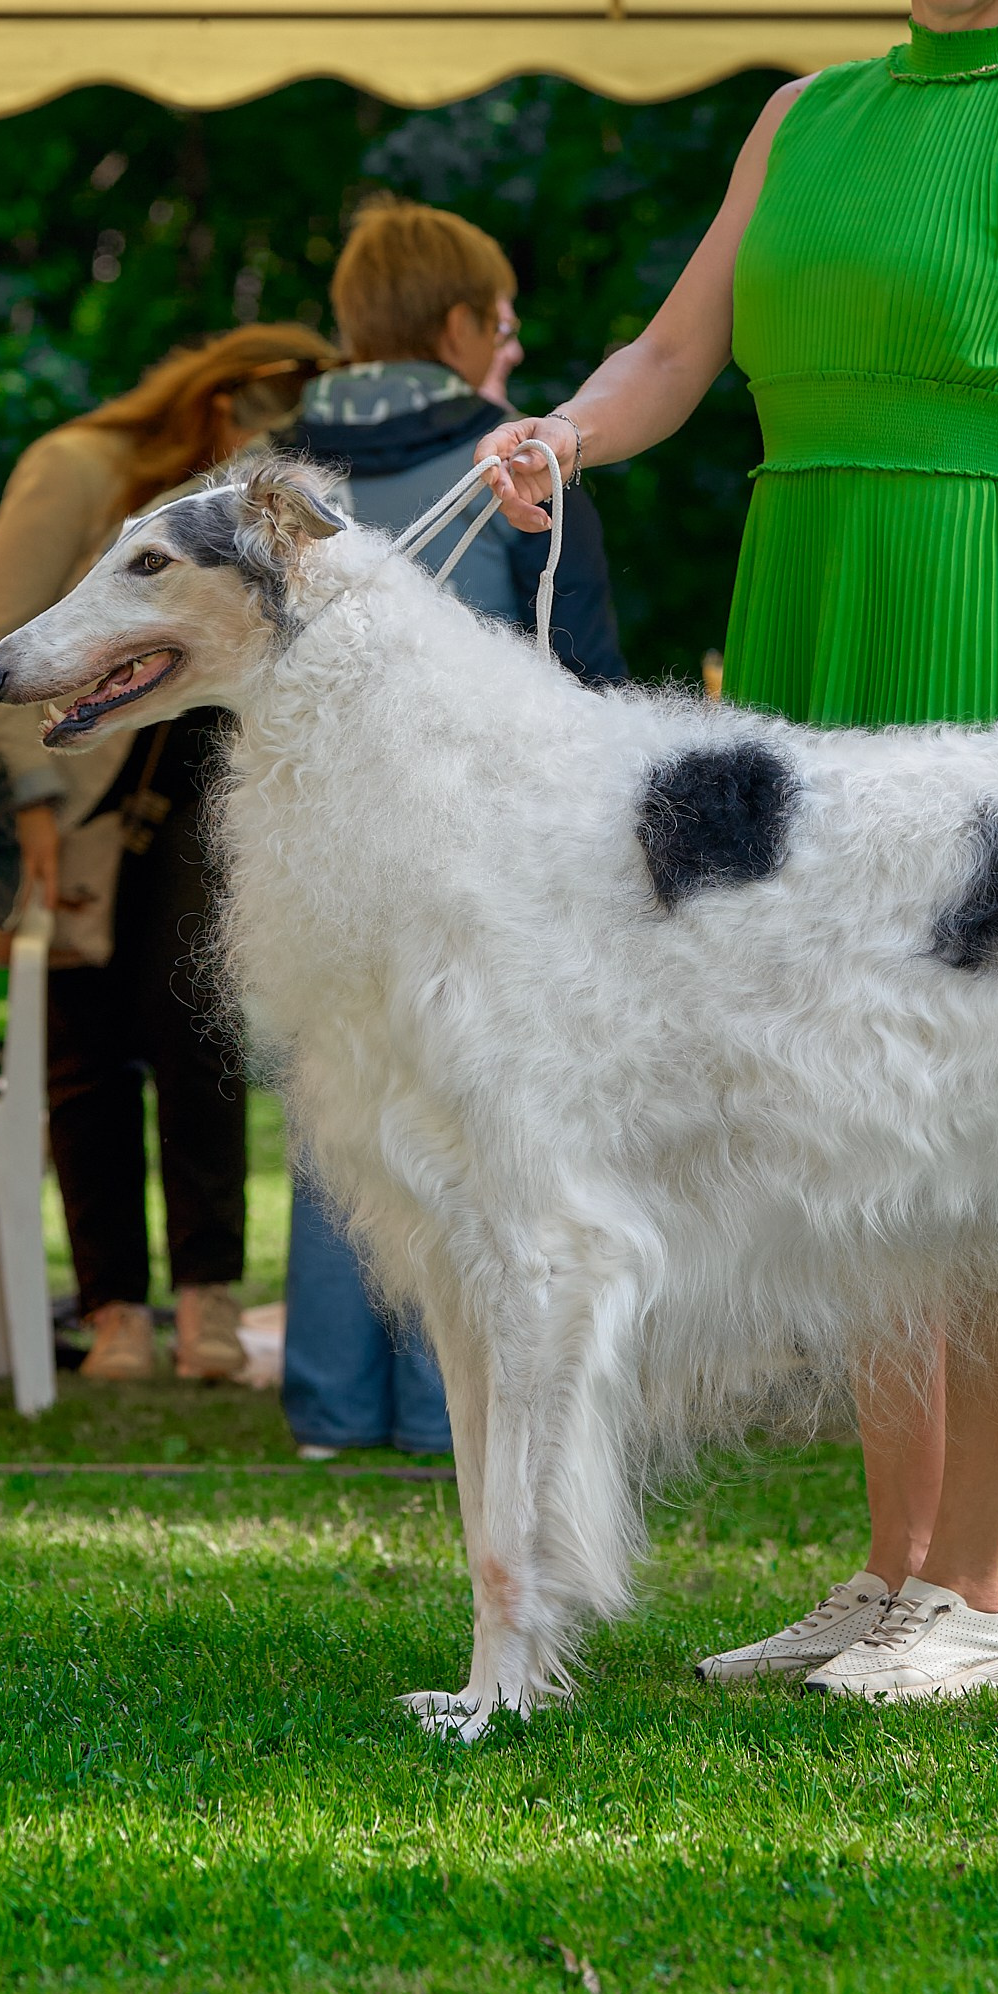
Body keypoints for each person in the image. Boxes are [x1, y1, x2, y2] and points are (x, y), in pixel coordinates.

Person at [479, 0, 998, 1704]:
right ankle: (887, 1571)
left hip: (968, 608)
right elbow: (676, 351)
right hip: (796, 607)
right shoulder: (802, 117)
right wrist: (562, 434)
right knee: (848, 1113)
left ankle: (981, 1595)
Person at [271, 193, 629, 1458]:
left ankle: (329, 1401)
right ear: (459, 323)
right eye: (505, 321)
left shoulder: (270, 471)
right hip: (482, 846)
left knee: (339, 1100)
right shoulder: (513, 461)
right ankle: (443, 1407)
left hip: (317, 841)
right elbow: (580, 665)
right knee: (477, 1116)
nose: (513, 347)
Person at [0, 324, 336, 1387]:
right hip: (77, 792)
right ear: (224, 401)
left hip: (206, 789)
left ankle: (208, 1302)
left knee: (199, 1031)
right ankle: (115, 1308)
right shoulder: (75, 465)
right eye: (272, 423)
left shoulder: (241, 507)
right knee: (84, 1050)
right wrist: (31, 804)